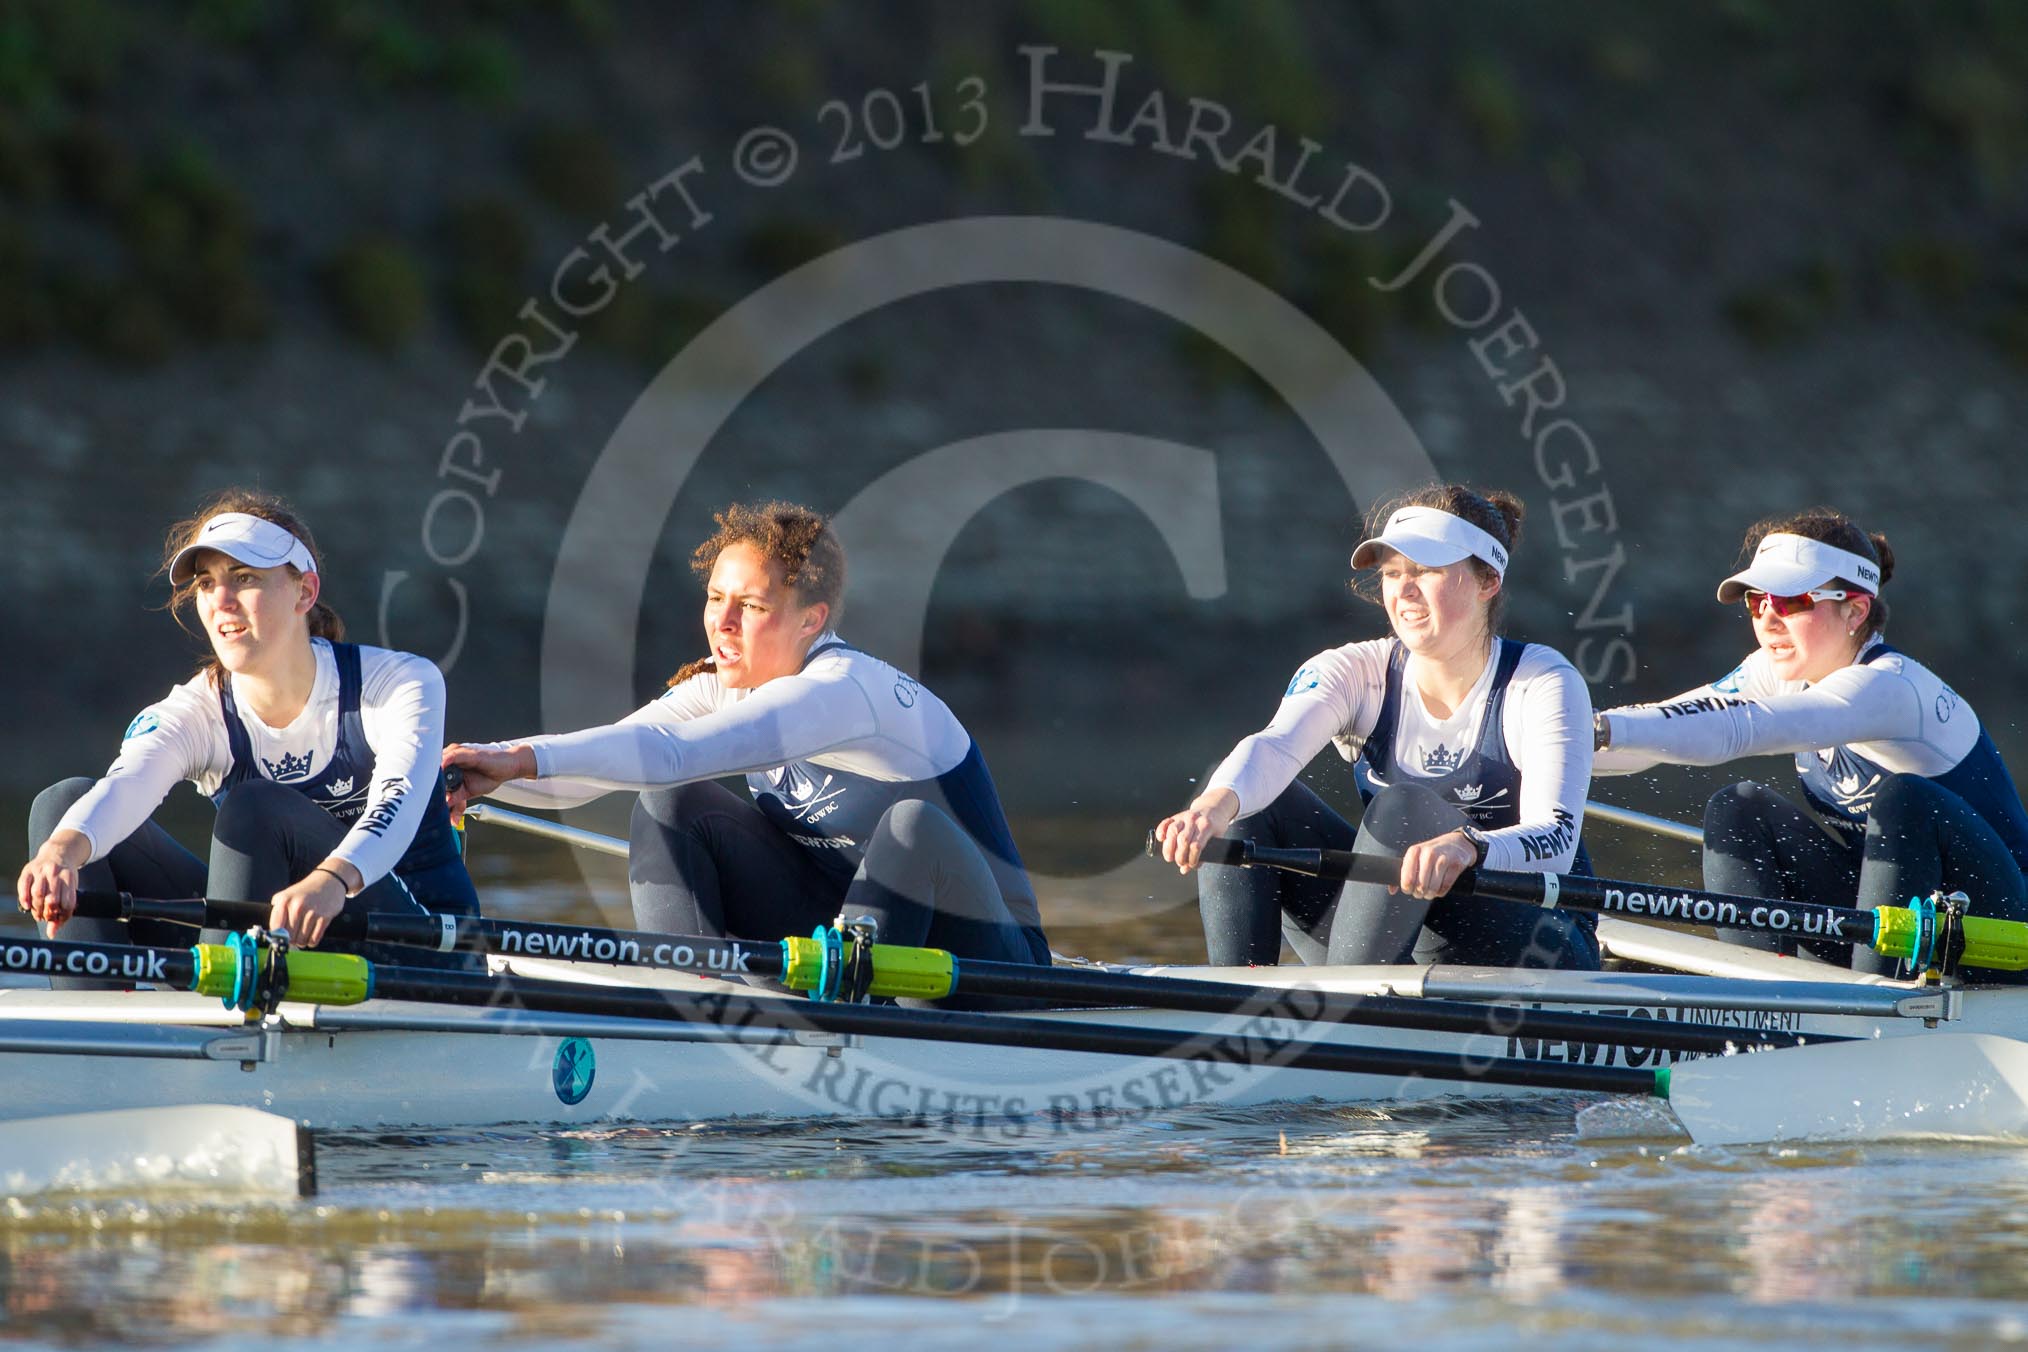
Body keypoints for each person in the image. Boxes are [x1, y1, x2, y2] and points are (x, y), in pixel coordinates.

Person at [442, 500, 1049, 975]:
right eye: (715, 598)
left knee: (910, 826)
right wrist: (478, 780)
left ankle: (844, 1018)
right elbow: (600, 765)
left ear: (811, 619)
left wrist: (518, 758)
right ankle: (693, 1001)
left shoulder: (841, 689)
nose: (722, 622)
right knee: (670, 804)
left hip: (987, 954)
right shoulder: (722, 684)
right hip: (837, 931)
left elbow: (672, 753)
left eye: (752, 606)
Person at [16, 489, 478, 982]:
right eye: (207, 583)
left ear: (304, 592)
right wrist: (60, 854)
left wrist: (332, 879)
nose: (221, 601)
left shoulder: (400, 683)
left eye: (244, 578)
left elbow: (396, 806)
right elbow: (127, 787)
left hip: (416, 943)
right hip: (273, 936)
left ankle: (221, 1019)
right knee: (64, 807)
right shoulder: (195, 711)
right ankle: (94, 1029)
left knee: (255, 807)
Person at [1153, 485, 1598, 971]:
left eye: (1425, 571)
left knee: (1402, 807)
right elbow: (1274, 749)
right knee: (1245, 803)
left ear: (1487, 580)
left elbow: (1555, 841)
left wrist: (1469, 845)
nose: (1403, 590)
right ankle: (1234, 997)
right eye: (1391, 574)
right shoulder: (1354, 672)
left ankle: (1353, 1016)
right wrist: (1211, 809)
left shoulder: (1543, 683)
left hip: (1536, 940)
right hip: (1387, 928)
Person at [1593, 509, 2028, 979]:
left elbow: (1741, 728)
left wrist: (1595, 729)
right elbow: (1659, 731)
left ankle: (1869, 1007)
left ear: (1855, 610)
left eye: (1793, 601)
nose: (1769, 620)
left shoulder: (1893, 689)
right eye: (1758, 601)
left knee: (1906, 800)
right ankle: (1753, 995)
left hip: (1996, 936)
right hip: (1892, 927)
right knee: (1737, 808)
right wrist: (1546, 746)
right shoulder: (1779, 668)